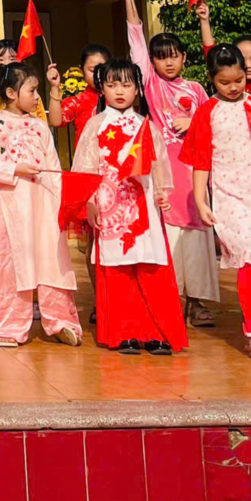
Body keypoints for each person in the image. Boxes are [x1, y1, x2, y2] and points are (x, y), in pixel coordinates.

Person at [119, 0, 220, 329]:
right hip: (165, 172)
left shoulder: (196, 89)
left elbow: (214, 120)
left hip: (195, 173)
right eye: (161, 58)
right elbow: (135, 40)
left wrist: (193, 122)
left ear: (184, 57)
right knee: (169, 233)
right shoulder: (150, 84)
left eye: (174, 56)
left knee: (197, 234)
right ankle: (171, 299)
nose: (169, 63)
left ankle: (198, 301)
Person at [73, 59, 186, 355]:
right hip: (109, 205)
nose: (120, 91)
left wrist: (161, 194)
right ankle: (125, 332)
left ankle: (157, 332)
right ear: (102, 89)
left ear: (137, 89)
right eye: (112, 85)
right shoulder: (96, 125)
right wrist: (90, 202)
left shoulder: (146, 126)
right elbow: (84, 169)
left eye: (126, 84)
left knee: (150, 265)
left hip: (143, 203)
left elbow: (160, 166)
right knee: (117, 269)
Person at [185, 46, 251, 359]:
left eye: (238, 80)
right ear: (211, 79)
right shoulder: (207, 112)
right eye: (224, 82)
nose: (233, 87)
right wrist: (201, 200)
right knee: (248, 258)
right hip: (229, 196)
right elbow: (200, 160)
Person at [0, 62, 79, 348]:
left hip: (43, 204)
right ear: (11, 93)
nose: (36, 97)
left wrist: (60, 202)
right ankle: (11, 326)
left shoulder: (40, 126)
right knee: (14, 264)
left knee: (51, 261)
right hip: (13, 208)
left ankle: (61, 322)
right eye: (32, 91)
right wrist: (15, 168)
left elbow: (53, 166)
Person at [59, 43, 113, 149]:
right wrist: (54, 87)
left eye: (102, 70)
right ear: (82, 70)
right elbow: (57, 121)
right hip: (86, 157)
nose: (97, 74)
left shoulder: (117, 98)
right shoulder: (78, 101)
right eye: (92, 70)